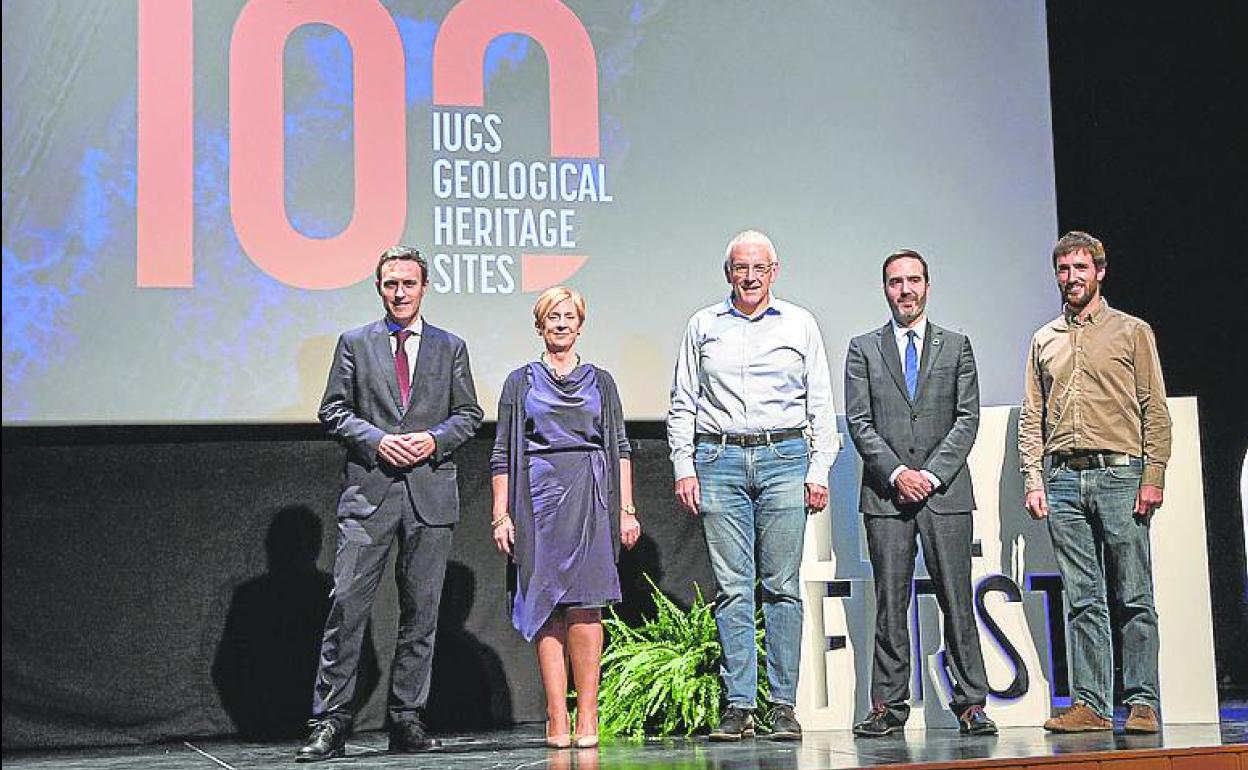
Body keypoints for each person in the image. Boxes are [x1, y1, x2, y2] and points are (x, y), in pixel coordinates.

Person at [297, 246, 483, 761]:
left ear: (424, 287)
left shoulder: (451, 347)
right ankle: (330, 721)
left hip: (429, 494)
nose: (399, 292)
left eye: (408, 283)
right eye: (390, 284)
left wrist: (434, 440)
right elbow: (333, 411)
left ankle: (406, 718)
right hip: (370, 493)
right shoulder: (355, 343)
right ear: (379, 288)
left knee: (421, 612)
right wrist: (377, 440)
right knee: (347, 607)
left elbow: (468, 414)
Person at [667, 230, 839, 741]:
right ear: (728, 273)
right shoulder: (704, 324)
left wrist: (818, 469)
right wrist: (683, 464)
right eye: (741, 268)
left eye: (759, 268)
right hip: (718, 458)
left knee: (781, 586)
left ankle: (782, 705)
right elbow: (683, 400)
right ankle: (739, 705)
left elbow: (820, 402)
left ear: (774, 271)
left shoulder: (799, 322)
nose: (749, 276)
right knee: (733, 588)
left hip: (785, 457)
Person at [1020, 231, 1171, 735]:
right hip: (1063, 478)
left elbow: (1155, 409)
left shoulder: (1132, 332)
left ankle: (1143, 702)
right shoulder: (1045, 339)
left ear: (1099, 272)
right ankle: (1091, 704)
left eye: (1080, 269)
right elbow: (1032, 417)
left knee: (1132, 593)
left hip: (1120, 475)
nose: (1071, 279)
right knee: (1083, 597)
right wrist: (1033, 478)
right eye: (1063, 270)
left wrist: (1153, 476)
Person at [843, 249, 997, 737]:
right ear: (884, 288)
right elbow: (860, 422)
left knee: (956, 598)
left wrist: (929, 475)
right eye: (895, 282)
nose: (905, 290)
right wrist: (896, 474)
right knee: (890, 603)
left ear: (927, 286)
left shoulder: (957, 346)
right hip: (887, 498)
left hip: (945, 494)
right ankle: (888, 707)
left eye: (913, 281)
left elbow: (967, 418)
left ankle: (971, 703)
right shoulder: (863, 348)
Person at [490, 286, 641, 749]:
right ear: (539, 325)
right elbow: (501, 452)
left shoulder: (602, 381)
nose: (560, 323)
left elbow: (620, 447)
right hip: (537, 499)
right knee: (547, 606)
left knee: (586, 604)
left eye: (568, 316)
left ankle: (588, 713)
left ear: (580, 324)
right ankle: (557, 714)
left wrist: (626, 510)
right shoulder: (520, 382)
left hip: (591, 496)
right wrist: (501, 514)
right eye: (552, 316)